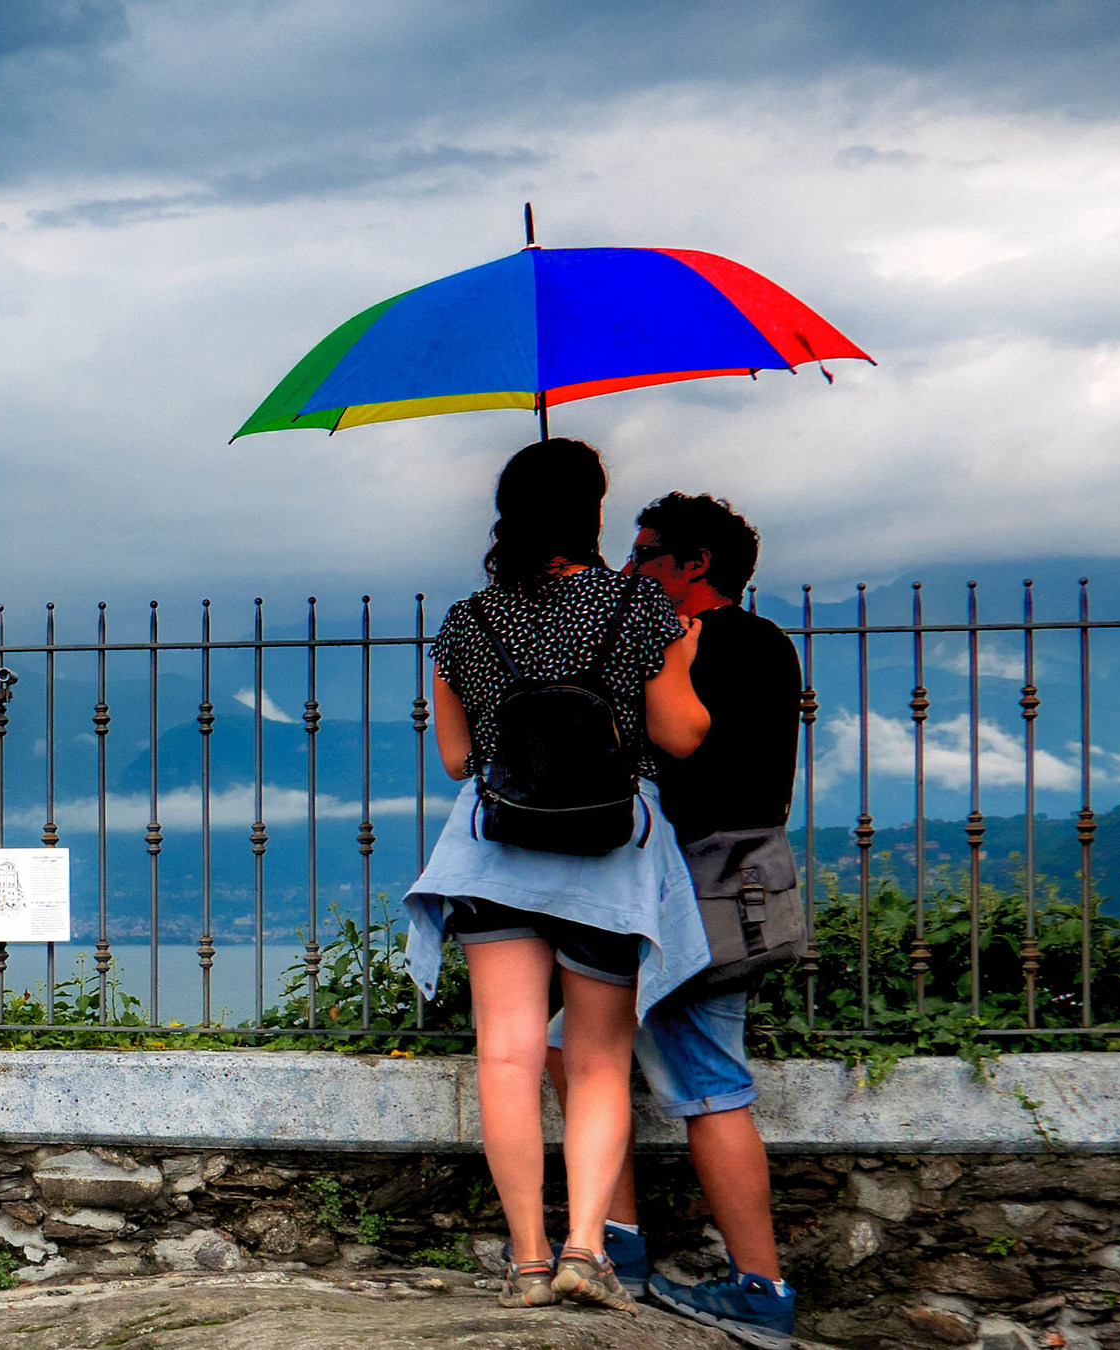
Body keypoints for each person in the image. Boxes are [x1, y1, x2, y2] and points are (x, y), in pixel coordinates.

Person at [399, 439, 713, 1314]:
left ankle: (528, 1262)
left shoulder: (468, 620)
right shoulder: (638, 607)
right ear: (594, 510)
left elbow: (460, 760)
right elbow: (683, 737)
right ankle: (586, 1251)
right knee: (600, 1062)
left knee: (504, 1056)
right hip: (607, 857)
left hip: (499, 852)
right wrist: (678, 659)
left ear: (506, 512)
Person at [547, 491, 801, 1348]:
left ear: (696, 565)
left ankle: (760, 1289)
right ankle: (617, 1243)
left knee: (707, 1083)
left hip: (694, 889)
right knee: (569, 1047)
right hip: (713, 882)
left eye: (648, 553)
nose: (630, 567)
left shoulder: (716, 646)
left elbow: (680, 748)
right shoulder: (764, 646)